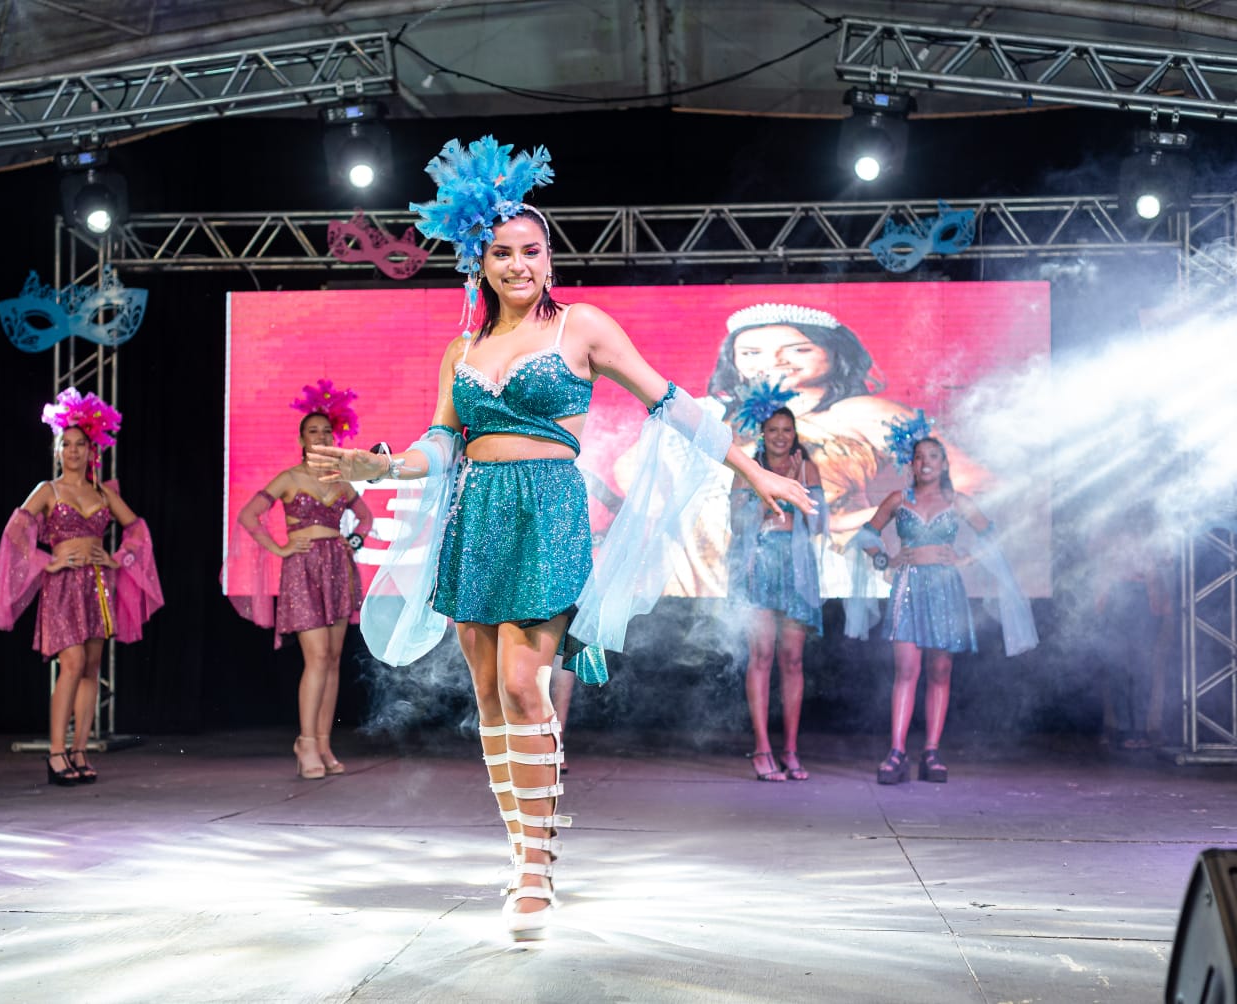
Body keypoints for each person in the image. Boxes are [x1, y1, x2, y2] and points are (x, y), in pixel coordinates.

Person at [308, 136, 814, 940]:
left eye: (531, 251)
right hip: (475, 513)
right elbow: (441, 442)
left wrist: (754, 471)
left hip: (546, 510)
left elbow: (670, 401)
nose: (518, 264)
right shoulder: (463, 349)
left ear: (550, 259)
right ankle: (522, 854)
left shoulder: (581, 327)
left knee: (523, 683)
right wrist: (386, 465)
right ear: (480, 264)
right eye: (502, 253)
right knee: (487, 694)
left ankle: (538, 866)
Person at [665, 303, 989, 598]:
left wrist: (856, 518)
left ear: (835, 352)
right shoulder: (715, 416)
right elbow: (649, 485)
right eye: (751, 353)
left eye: (799, 349)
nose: (774, 361)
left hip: (826, 566)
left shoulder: (861, 412)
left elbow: (971, 481)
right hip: (712, 570)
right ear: (733, 360)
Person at [0, 390, 162, 786]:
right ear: (57, 450)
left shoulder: (102, 493)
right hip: (63, 585)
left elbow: (137, 529)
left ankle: (79, 750)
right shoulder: (47, 490)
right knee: (72, 663)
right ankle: (55, 753)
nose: (73, 451)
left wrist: (118, 559)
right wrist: (47, 561)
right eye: (66, 444)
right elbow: (15, 532)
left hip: (96, 585)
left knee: (90, 667)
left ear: (92, 450)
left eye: (80, 444)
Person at [850, 435, 1034, 785]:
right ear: (912, 464)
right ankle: (897, 752)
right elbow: (865, 536)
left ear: (945, 463)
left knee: (940, 670)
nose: (926, 462)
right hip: (908, 589)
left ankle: (931, 752)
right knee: (906, 670)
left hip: (946, 591)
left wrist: (965, 559)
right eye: (919, 457)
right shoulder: (898, 499)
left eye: (933, 456)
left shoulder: (957, 502)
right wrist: (886, 559)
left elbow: (992, 536)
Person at [231, 388, 374, 779]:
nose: (321, 436)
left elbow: (365, 518)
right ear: (301, 439)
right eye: (314, 431)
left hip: (338, 568)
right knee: (316, 658)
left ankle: (323, 744)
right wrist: (279, 548)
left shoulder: (341, 480)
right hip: (302, 571)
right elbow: (249, 515)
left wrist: (354, 541)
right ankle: (306, 742)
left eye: (327, 431)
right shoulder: (289, 478)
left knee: (332, 659)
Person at [728, 402, 824, 782]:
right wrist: (768, 503)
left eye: (787, 430)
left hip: (796, 569)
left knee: (793, 660)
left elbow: (819, 525)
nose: (780, 437)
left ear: (794, 434)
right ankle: (762, 749)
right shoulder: (747, 470)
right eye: (773, 430)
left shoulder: (808, 469)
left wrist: (798, 481)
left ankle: (791, 750)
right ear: (762, 434)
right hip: (759, 566)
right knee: (762, 655)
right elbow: (737, 525)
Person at [1092, 507, 1174, 751]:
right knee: (1118, 667)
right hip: (1120, 599)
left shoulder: (1154, 540)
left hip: (1143, 602)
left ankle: (1140, 730)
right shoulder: (1115, 541)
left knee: (1142, 668)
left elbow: (1166, 563)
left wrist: (1161, 605)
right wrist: (1101, 603)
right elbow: (1105, 573)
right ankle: (1125, 730)